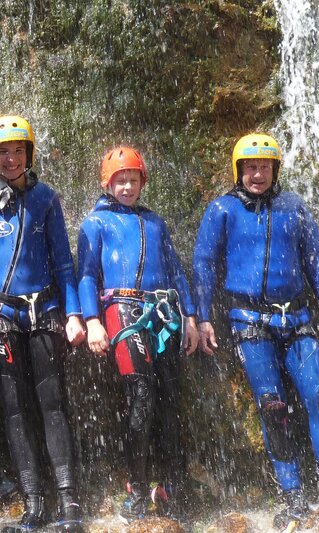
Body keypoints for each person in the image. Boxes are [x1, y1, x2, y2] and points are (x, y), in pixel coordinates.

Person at [192, 133, 319, 528]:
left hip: (297, 318)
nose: (257, 174)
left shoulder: (293, 207)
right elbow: (204, 264)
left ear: (275, 169)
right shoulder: (222, 209)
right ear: (238, 170)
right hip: (249, 320)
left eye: (264, 167)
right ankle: (292, 493)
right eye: (250, 167)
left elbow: (316, 260)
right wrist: (202, 316)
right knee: (272, 406)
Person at [0, 115, 86, 532]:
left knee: (53, 404)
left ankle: (69, 502)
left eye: (17, 150)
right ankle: (33, 504)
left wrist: (75, 313)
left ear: (29, 153)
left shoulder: (46, 198)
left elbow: (64, 261)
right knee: (14, 409)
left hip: (44, 310)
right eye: (2, 152)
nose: (10, 159)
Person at [76, 146, 199, 523]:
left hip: (162, 312)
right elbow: (86, 275)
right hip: (121, 310)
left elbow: (176, 272)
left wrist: (191, 317)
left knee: (169, 401)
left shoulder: (155, 222)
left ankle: (170, 485)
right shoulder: (95, 223)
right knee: (141, 397)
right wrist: (91, 320)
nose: (127, 187)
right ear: (107, 184)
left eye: (133, 180)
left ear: (142, 182)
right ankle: (137, 488)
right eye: (120, 181)